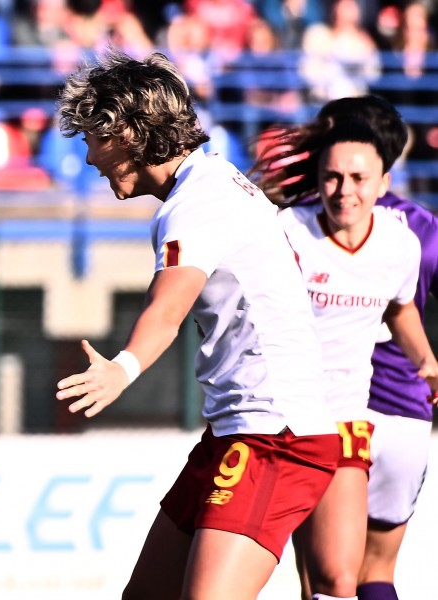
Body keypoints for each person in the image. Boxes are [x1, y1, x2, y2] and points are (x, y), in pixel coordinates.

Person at [54, 48, 340, 599]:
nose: (88, 155)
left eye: (93, 135)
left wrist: (123, 368)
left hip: (276, 436)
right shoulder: (210, 182)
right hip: (236, 434)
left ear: (131, 133)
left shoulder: (196, 202)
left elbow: (168, 307)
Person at [250, 101, 438, 600]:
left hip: (345, 422)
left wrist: (427, 361)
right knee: (300, 578)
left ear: (383, 183)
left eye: (358, 178)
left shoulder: (400, 244)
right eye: (332, 177)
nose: (344, 191)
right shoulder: (287, 232)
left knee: (336, 577)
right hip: (279, 423)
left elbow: (400, 309)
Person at [315, 97, 438, 600]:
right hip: (408, 410)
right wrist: (429, 364)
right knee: (378, 570)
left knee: (323, 577)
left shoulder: (310, 219)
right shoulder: (425, 229)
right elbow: (405, 310)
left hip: (339, 410)